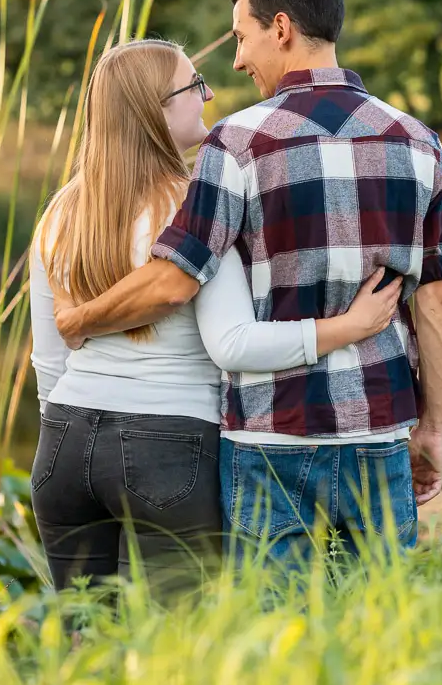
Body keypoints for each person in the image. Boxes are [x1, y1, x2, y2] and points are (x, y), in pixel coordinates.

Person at [55, 0, 442, 569]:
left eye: (241, 38)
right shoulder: (416, 140)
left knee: (271, 633)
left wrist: (80, 319)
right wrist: (432, 429)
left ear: (281, 28)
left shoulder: (237, 142)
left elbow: (173, 279)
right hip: (378, 429)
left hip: (270, 437)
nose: (238, 61)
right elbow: (436, 300)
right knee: (382, 623)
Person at [29, 37, 403, 599]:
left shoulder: (62, 209)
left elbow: (48, 357)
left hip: (63, 444)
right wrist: (348, 327)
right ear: (155, 108)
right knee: (183, 647)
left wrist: (74, 436)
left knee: (86, 639)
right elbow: (232, 342)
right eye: (192, 87)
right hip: (169, 444)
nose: (208, 96)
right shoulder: (196, 205)